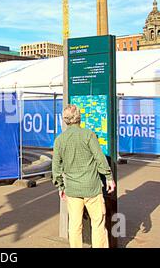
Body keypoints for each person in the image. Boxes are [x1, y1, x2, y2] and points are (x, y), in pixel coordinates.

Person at [52, 104, 116, 248]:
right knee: (98, 224)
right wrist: (109, 177)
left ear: (65, 120)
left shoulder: (59, 140)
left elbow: (56, 168)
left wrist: (60, 187)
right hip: (92, 188)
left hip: (73, 190)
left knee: (74, 226)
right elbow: (100, 158)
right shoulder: (89, 135)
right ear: (79, 117)